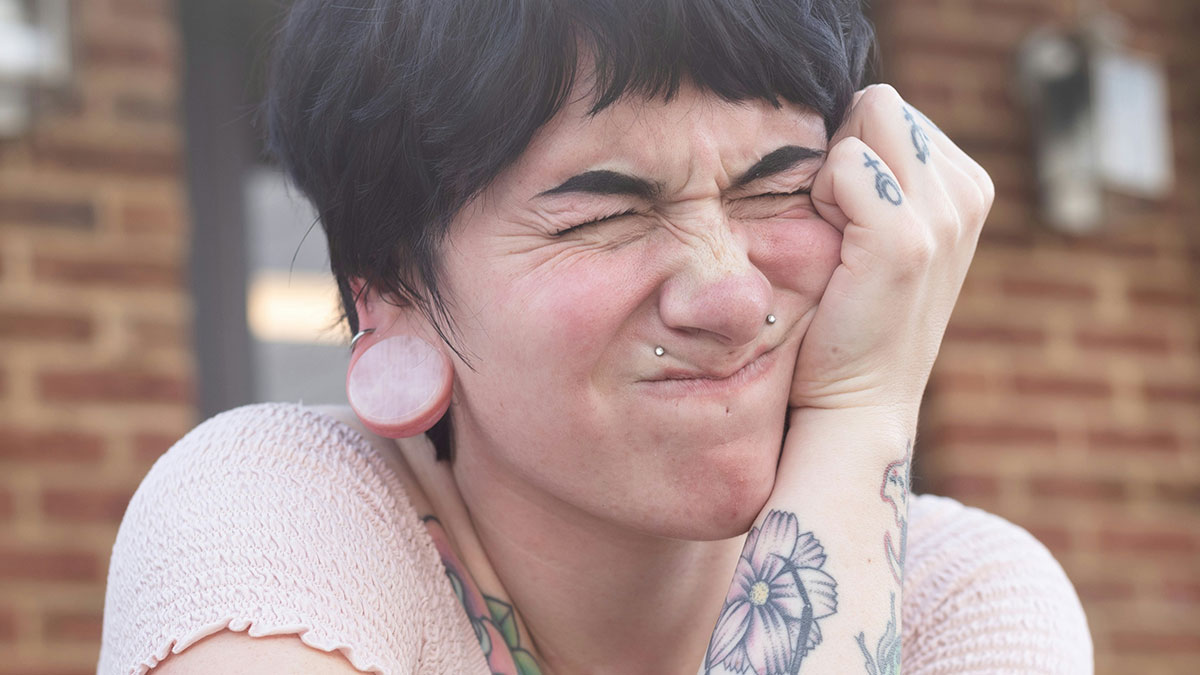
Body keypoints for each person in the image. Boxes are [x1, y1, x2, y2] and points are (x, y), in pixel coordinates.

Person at [98, 0, 1093, 673]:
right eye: (604, 216)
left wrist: (860, 415)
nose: (731, 297)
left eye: (782, 189)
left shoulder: (961, 599)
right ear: (390, 290)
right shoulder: (274, 516)